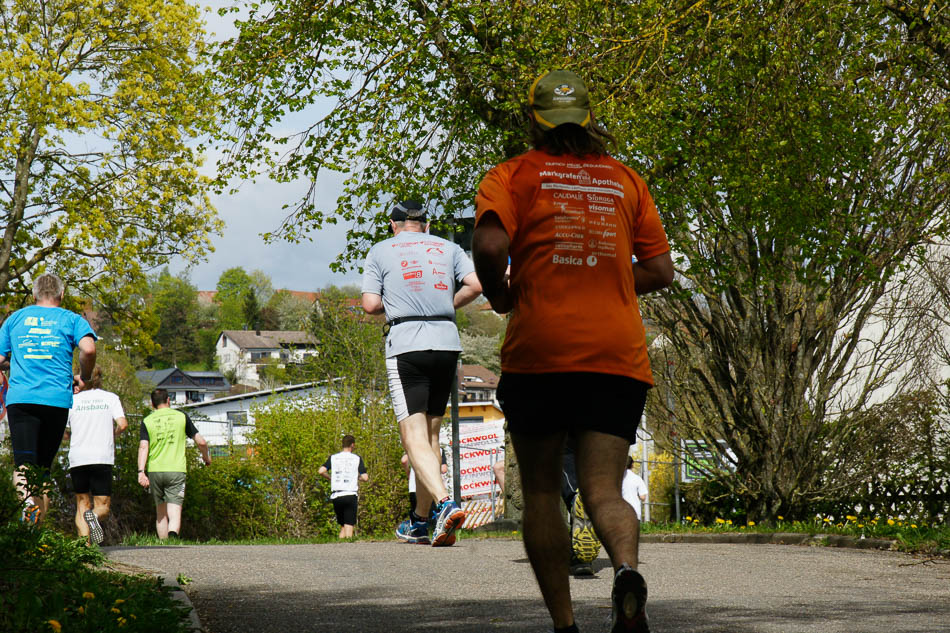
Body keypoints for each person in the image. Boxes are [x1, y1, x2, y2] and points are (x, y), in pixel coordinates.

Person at [472, 69, 674, 633]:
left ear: (533, 120)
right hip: (615, 358)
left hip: (541, 356)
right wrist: (607, 279)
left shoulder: (512, 175)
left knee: (541, 491)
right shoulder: (625, 180)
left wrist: (500, 294)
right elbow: (661, 270)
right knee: (603, 488)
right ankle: (626, 572)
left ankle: (565, 626)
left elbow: (489, 242)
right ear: (589, 120)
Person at [361, 199, 482, 546]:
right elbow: (476, 285)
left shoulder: (380, 250)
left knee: (412, 435)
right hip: (446, 343)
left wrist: (397, 301)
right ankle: (419, 521)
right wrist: (445, 304)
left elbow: (370, 304)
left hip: (407, 344)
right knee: (430, 436)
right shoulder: (449, 247)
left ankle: (445, 503)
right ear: (427, 226)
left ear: (393, 225)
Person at [0, 273, 97, 525]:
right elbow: (88, 349)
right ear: (61, 295)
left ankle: (27, 511)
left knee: (23, 464)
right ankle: (38, 531)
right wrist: (85, 377)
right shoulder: (72, 319)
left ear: (34, 295)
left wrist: (14, 366)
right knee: (43, 468)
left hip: (21, 400)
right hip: (55, 400)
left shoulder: (15, 319)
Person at [137, 388, 211, 540]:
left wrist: (141, 472)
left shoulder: (147, 421)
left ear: (152, 404)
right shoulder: (181, 417)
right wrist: (206, 457)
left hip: (155, 470)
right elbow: (201, 442)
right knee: (174, 509)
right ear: (168, 400)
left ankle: (163, 545)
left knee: (160, 513)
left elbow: (143, 447)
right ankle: (173, 538)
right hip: (176, 470)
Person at [65, 367, 128, 544]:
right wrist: (113, 434)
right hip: (101, 456)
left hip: (78, 457)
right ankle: (94, 516)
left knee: (82, 504)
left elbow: (63, 431)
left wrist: (70, 435)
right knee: (103, 506)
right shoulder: (110, 398)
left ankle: (84, 548)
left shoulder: (72, 400)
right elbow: (123, 424)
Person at [318, 434, 369, 539]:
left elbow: (321, 471)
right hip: (350, 494)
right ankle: (348, 545)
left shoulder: (333, 458)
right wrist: (356, 477)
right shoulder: (356, 458)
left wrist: (331, 478)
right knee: (349, 524)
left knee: (343, 526)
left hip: (336, 495)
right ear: (352, 445)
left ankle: (339, 544)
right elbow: (365, 477)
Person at [401, 448, 447, 522]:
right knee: (433, 518)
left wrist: (408, 473)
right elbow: (444, 469)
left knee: (418, 517)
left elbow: (404, 460)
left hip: (415, 488)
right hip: (433, 489)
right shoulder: (439, 449)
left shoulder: (413, 447)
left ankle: (418, 528)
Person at [622, 456, 648, 522]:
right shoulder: (637, 478)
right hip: (634, 511)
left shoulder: (618, 479)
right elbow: (643, 497)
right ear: (632, 464)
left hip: (621, 510)